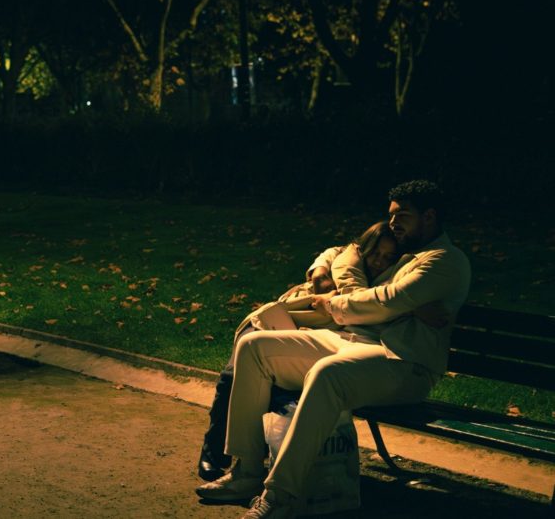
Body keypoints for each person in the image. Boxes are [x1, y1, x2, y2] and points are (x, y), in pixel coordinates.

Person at [195, 179, 471, 519]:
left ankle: (280, 496)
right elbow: (349, 254)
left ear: (429, 217)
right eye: (392, 215)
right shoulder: (401, 250)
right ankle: (247, 472)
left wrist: (340, 302)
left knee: (328, 374)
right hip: (352, 341)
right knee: (254, 348)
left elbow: (388, 300)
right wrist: (328, 270)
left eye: (403, 216)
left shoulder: (446, 260)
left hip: (403, 363)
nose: (394, 223)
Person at [198, 221, 401, 481]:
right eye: (375, 253)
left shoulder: (389, 279)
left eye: (387, 257)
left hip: (312, 333)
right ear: (365, 248)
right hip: (284, 315)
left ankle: (255, 459)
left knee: (274, 381)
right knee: (233, 373)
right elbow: (324, 266)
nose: (379, 261)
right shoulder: (344, 257)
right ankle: (214, 452)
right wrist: (321, 276)